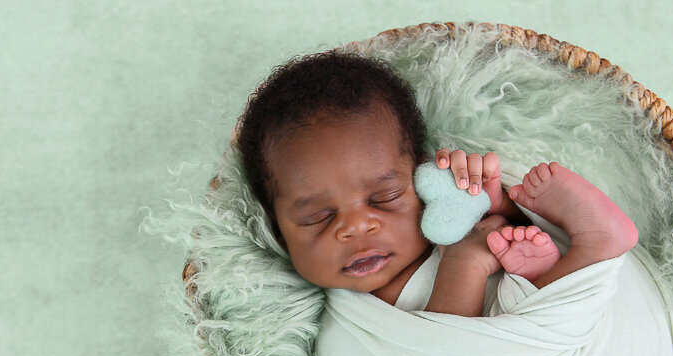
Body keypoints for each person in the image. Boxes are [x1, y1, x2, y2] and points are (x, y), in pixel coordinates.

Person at [235, 51, 639, 317]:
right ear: (275, 226)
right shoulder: (343, 316)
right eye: (319, 217)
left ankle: (592, 245)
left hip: (550, 311)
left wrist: (491, 201)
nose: (357, 227)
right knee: (525, 308)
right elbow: (446, 351)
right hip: (509, 349)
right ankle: (588, 252)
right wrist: (466, 261)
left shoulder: (446, 223)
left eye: (385, 196)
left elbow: (498, 234)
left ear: (420, 174)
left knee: (528, 269)